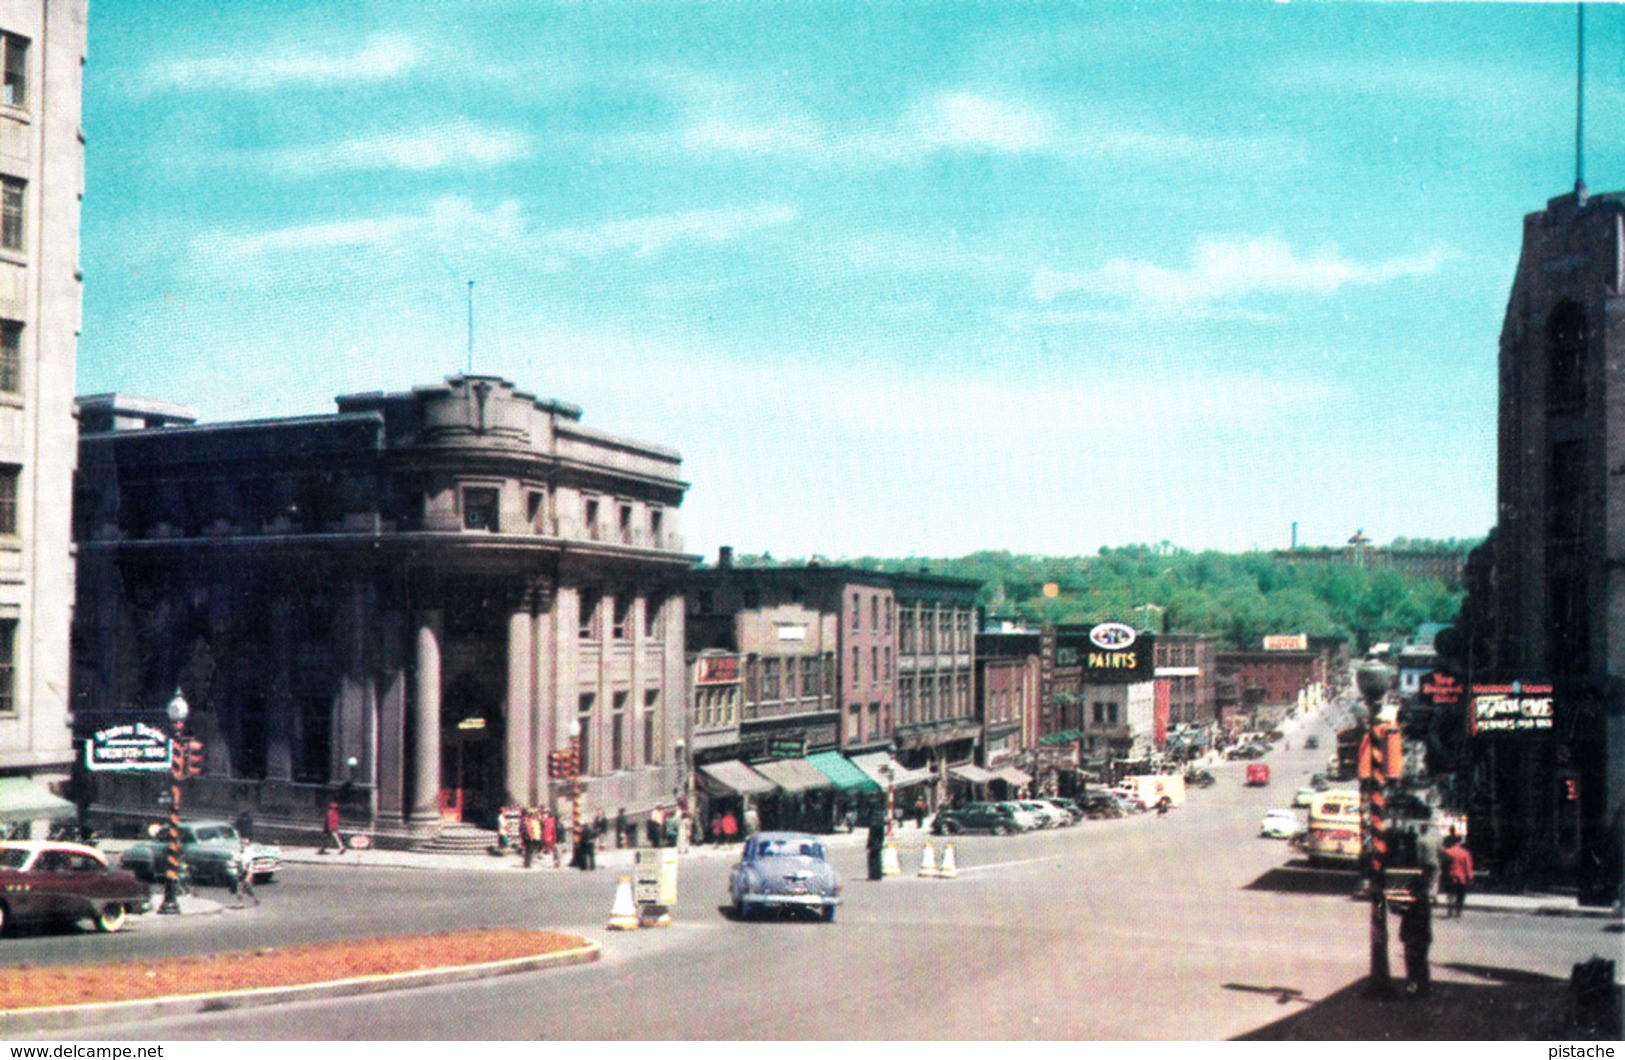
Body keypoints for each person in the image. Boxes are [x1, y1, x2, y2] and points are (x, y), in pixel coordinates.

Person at [1397, 875, 1431, 997]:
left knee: (1413, 965)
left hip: (1415, 937)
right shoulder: (1422, 900)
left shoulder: (1418, 901)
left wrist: (1402, 909)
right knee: (1420, 963)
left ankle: (1415, 989)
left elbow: (1409, 914)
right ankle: (1422, 988)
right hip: (1421, 937)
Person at [1441, 831, 1474, 917]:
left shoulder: (1447, 852)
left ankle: (1450, 909)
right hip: (1461, 877)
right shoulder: (1465, 853)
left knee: (1450, 893)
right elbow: (1468, 867)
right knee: (1461, 894)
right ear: (1459, 842)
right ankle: (1458, 911)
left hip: (1449, 876)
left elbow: (1443, 865)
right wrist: (1470, 877)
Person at [231, 838, 260, 908]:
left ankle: (255, 898)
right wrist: (236, 872)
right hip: (240, 872)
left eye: (244, 843)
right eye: (242, 843)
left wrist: (250, 875)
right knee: (238, 888)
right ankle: (241, 903)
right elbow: (236, 862)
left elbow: (252, 864)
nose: (243, 845)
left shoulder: (250, 852)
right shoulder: (239, 852)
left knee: (247, 887)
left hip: (247, 871)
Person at [866, 811, 887, 881]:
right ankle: (877, 874)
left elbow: (871, 833)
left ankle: (873, 874)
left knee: (873, 858)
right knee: (877, 858)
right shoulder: (880, 819)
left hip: (874, 842)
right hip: (879, 842)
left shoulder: (874, 820)